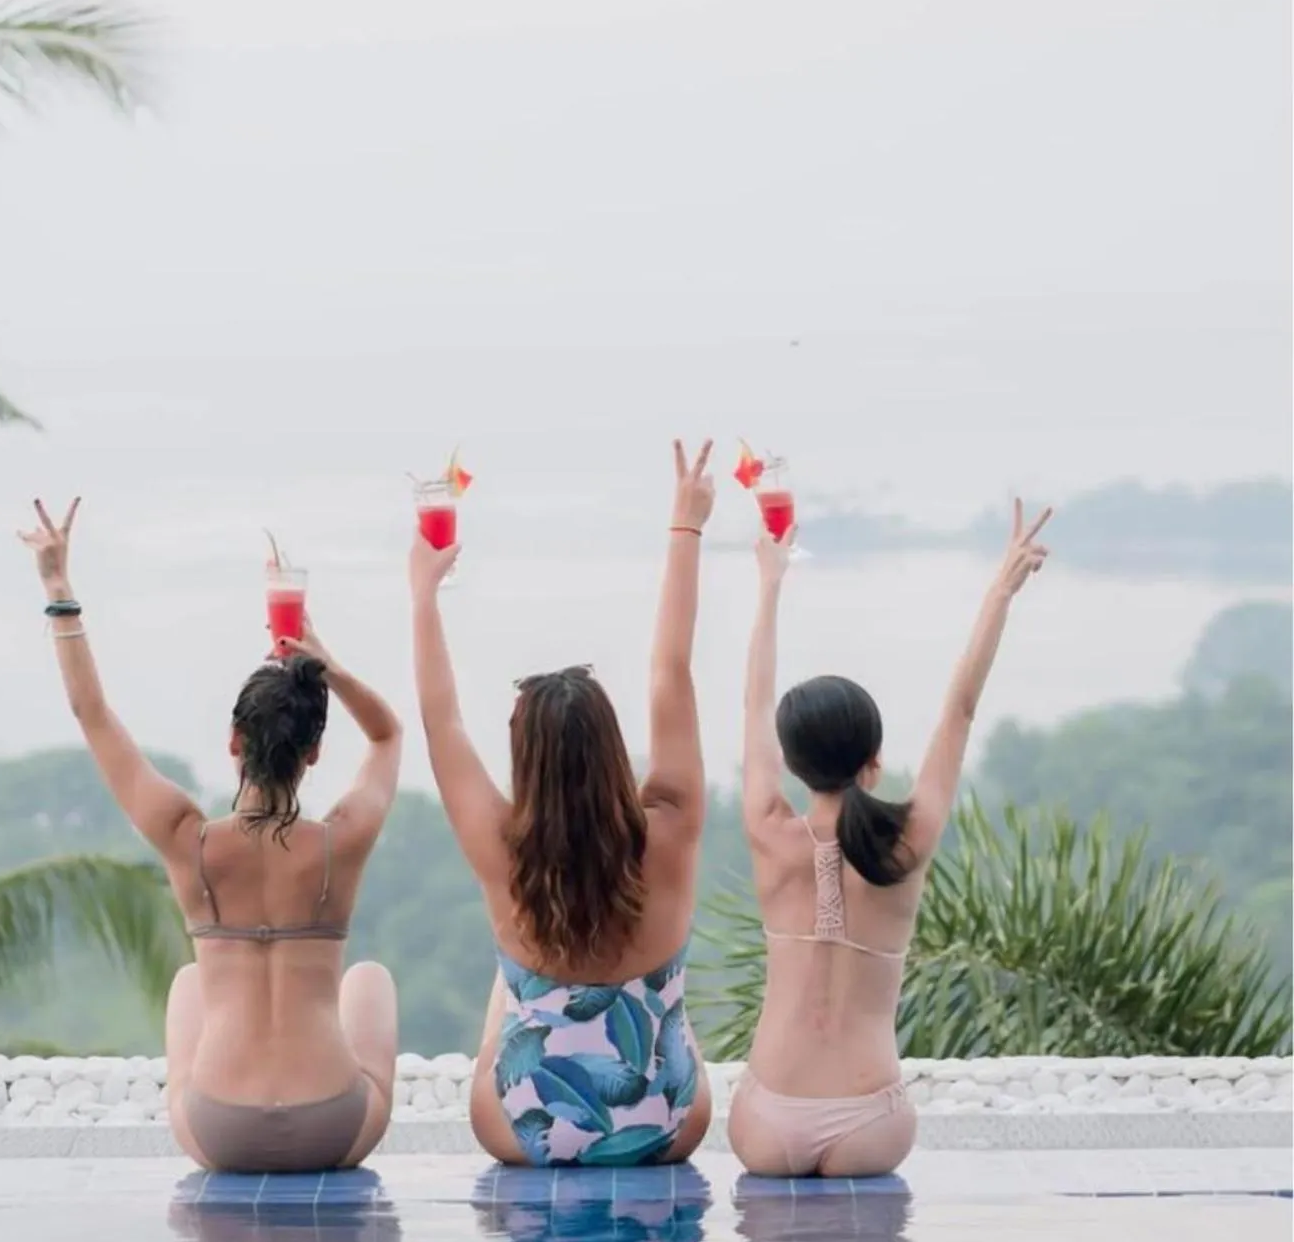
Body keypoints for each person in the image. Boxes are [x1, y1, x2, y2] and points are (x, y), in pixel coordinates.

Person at [18, 497, 403, 1173]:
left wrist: (59, 591)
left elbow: (93, 714)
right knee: (368, 979)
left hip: (220, 1133)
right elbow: (388, 733)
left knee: (192, 984)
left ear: (233, 741)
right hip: (333, 1128)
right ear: (313, 754)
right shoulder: (341, 842)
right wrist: (325, 664)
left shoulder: (185, 839)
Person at [410, 442, 717, 1167]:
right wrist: (687, 526)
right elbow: (671, 669)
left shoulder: (502, 849)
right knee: (665, 1003)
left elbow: (440, 719)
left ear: (527, 762)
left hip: (527, 1126)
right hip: (667, 1121)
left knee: (508, 987)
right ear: (612, 748)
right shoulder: (671, 824)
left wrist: (422, 593)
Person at [730, 498, 1052, 1178]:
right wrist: (1000, 591)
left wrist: (770, 580)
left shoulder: (767, 827)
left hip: (766, 1119)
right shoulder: (908, 840)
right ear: (874, 759)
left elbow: (754, 703)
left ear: (791, 764)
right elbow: (960, 709)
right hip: (869, 1121)